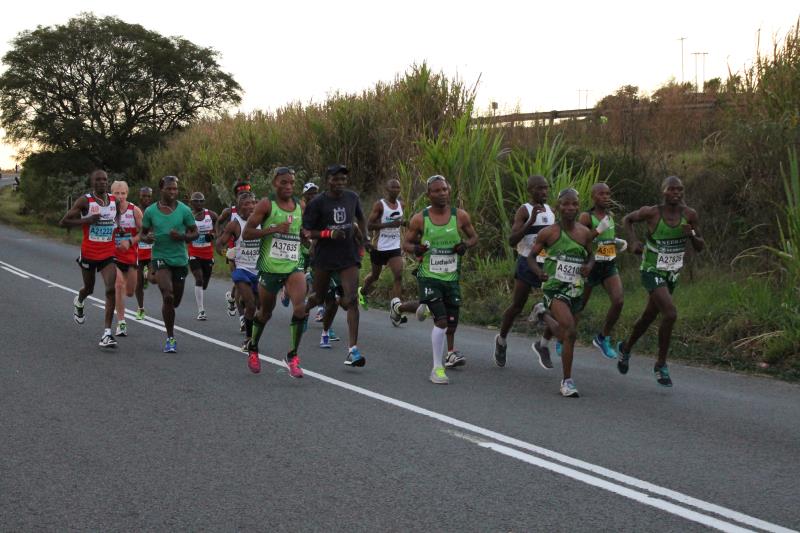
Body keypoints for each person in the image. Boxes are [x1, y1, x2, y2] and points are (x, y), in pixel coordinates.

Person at [616, 176, 704, 387]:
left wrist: (691, 234)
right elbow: (627, 219)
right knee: (670, 314)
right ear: (663, 191)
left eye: (680, 189)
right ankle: (661, 365)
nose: (676, 193)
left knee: (648, 316)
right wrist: (633, 241)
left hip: (671, 273)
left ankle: (626, 348)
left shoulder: (690, 215)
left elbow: (700, 246)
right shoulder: (652, 212)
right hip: (651, 269)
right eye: (672, 189)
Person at [393, 175, 478, 384]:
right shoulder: (420, 219)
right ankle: (437, 368)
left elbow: (474, 237)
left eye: (445, 190)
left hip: (451, 277)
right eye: (437, 191)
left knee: (451, 323)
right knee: (441, 321)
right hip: (429, 276)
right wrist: (417, 248)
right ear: (428, 195)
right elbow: (406, 244)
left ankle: (412, 309)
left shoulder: (460, 216)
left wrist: (464, 245)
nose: (442, 194)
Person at [527, 188, 595, 397]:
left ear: (578, 207)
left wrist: (588, 266)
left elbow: (591, 256)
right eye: (566, 204)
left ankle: (542, 314)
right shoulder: (549, 233)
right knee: (570, 331)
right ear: (558, 207)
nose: (570, 208)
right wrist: (538, 272)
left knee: (568, 335)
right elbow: (531, 257)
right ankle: (567, 381)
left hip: (575, 288)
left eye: (574, 204)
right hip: (554, 287)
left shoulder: (585, 232)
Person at [243, 167, 307, 377]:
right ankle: (253, 347)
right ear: (275, 183)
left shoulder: (300, 205)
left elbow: (301, 231)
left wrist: (307, 238)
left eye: (291, 182)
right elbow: (247, 233)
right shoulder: (266, 204)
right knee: (265, 313)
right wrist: (273, 229)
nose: (288, 186)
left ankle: (293, 356)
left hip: (293, 264)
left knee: (301, 309)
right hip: (270, 267)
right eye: (283, 182)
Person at [302, 164, 367, 366]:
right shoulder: (318, 202)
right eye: (335, 179)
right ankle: (304, 310)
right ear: (327, 180)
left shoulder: (352, 197)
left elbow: (361, 218)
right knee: (319, 297)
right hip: (325, 257)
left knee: (352, 299)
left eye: (343, 179)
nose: (340, 182)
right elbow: (306, 231)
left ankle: (353, 350)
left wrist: (364, 240)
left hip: (348, 256)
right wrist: (328, 233)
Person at [492, 175, 555, 368]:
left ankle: (543, 342)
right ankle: (501, 340)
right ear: (530, 190)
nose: (543, 192)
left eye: (546, 188)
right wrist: (531, 221)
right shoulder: (524, 210)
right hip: (527, 261)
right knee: (517, 306)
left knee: (557, 303)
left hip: (546, 262)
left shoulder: (551, 210)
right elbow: (512, 240)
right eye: (539, 188)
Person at [59, 169, 121, 348]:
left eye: (105, 179)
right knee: (89, 288)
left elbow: (116, 220)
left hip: (108, 253)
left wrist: (119, 230)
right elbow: (63, 222)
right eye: (98, 179)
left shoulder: (114, 201)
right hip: (89, 253)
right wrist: (86, 220)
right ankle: (79, 300)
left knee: (111, 289)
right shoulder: (85, 201)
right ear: (92, 182)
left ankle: (107, 333)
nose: (102, 182)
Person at [140, 176, 198, 353]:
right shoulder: (150, 211)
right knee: (168, 296)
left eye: (175, 189)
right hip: (160, 257)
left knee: (176, 301)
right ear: (161, 190)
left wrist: (182, 236)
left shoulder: (184, 210)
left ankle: (150, 276)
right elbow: (142, 234)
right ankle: (170, 338)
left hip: (179, 259)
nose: (173, 191)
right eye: (169, 188)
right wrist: (147, 238)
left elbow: (195, 233)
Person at [577, 182, 627, 358]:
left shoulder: (610, 215)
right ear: (593, 197)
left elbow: (606, 237)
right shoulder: (586, 217)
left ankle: (602, 338)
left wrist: (617, 242)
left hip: (608, 265)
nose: (606, 197)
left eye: (608, 193)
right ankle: (562, 338)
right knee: (579, 306)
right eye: (601, 194)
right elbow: (580, 240)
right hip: (591, 266)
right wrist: (598, 229)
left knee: (618, 301)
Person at [216, 192, 260, 352]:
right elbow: (219, 244)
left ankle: (240, 302)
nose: (251, 206)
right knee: (251, 304)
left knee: (259, 306)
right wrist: (226, 253)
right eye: (247, 204)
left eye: (253, 203)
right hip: (241, 269)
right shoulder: (234, 225)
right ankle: (248, 339)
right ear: (239, 207)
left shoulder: (262, 222)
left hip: (259, 270)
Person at [359, 178, 405, 310]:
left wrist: (403, 223)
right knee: (375, 276)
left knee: (398, 275)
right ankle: (362, 291)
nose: (396, 190)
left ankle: (396, 308)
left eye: (398, 187)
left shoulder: (401, 204)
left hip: (394, 246)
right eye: (393, 187)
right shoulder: (380, 205)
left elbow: (398, 221)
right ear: (387, 189)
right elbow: (369, 225)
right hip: (379, 247)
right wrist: (390, 224)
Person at [216, 177, 253, 320]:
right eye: (241, 193)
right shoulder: (229, 211)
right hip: (234, 250)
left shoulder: (254, 209)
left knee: (240, 283)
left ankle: (231, 298)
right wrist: (219, 236)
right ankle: (242, 318)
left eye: (247, 192)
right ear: (236, 196)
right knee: (239, 282)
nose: (244, 195)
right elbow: (218, 222)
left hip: (252, 251)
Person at [110, 181, 143, 337]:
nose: (120, 196)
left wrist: (130, 241)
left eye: (123, 193)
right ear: (111, 194)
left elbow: (144, 232)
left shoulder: (134, 210)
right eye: (116, 193)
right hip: (113, 255)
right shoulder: (108, 210)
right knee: (118, 285)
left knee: (130, 292)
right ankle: (121, 322)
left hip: (131, 256)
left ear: (127, 194)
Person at [187, 192, 218, 320]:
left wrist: (213, 235)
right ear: (191, 202)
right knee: (199, 278)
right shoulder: (188, 216)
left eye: (201, 201)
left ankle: (200, 290)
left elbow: (218, 230)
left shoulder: (211, 215)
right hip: (193, 253)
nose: (199, 203)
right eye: (196, 201)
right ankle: (201, 311)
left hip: (208, 254)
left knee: (204, 284)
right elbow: (184, 234)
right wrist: (191, 236)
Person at [134, 186, 154, 320]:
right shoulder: (134, 211)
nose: (146, 198)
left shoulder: (155, 211)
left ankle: (147, 275)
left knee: (154, 278)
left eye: (148, 196)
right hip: (138, 251)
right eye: (144, 196)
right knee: (138, 283)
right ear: (139, 196)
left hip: (152, 250)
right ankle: (140, 309)